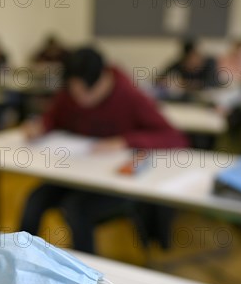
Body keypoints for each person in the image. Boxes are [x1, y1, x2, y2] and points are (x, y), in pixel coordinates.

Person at [20, 47, 188, 254]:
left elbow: (173, 137)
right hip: (77, 173)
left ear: (103, 79)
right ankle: (20, 257)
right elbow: (54, 117)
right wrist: (40, 126)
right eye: (74, 92)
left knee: (76, 209)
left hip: (115, 181)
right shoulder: (71, 91)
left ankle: (85, 276)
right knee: (34, 200)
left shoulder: (129, 95)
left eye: (86, 93)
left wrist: (125, 141)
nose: (80, 100)